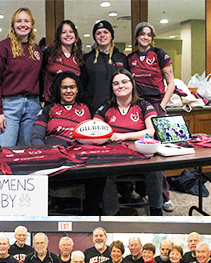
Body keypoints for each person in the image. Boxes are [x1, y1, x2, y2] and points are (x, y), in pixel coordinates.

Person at [93, 68, 164, 216]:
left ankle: (156, 210)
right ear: (112, 88)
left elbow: (151, 131)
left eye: (124, 82)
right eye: (116, 83)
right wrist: (108, 136)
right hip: (115, 156)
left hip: (141, 154)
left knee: (156, 169)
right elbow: (94, 130)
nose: (120, 86)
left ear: (132, 84)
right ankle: (112, 214)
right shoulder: (105, 107)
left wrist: (123, 136)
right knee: (103, 173)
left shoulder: (144, 105)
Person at [0, 7, 42, 147]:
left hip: (32, 106)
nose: (22, 24)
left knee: (28, 154)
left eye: (26, 21)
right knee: (7, 153)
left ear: (31, 25)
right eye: (18, 21)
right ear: (13, 25)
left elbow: (41, 78)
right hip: (9, 108)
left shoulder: (37, 51)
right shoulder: (2, 48)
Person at [82, 20, 128, 114]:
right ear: (95, 37)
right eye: (98, 33)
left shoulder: (121, 58)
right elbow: (82, 85)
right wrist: (89, 104)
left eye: (105, 32)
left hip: (119, 108)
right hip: (94, 110)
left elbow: (128, 84)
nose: (102, 35)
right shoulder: (87, 59)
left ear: (111, 36)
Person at [30, 74, 90, 146]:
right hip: (53, 152)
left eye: (72, 87)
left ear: (77, 89)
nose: (68, 91)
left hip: (80, 153)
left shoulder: (86, 109)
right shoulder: (48, 110)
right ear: (59, 89)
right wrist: (45, 152)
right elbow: (36, 137)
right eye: (64, 87)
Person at [127, 23, 176, 111]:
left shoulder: (159, 54)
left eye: (149, 35)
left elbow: (171, 83)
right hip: (137, 104)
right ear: (136, 37)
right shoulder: (130, 58)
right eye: (142, 34)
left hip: (156, 103)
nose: (146, 37)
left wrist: (162, 106)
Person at [41, 20, 84, 103]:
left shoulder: (79, 57)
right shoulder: (48, 53)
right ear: (59, 36)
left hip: (72, 105)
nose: (68, 35)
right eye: (64, 32)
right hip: (51, 104)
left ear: (75, 35)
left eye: (71, 32)